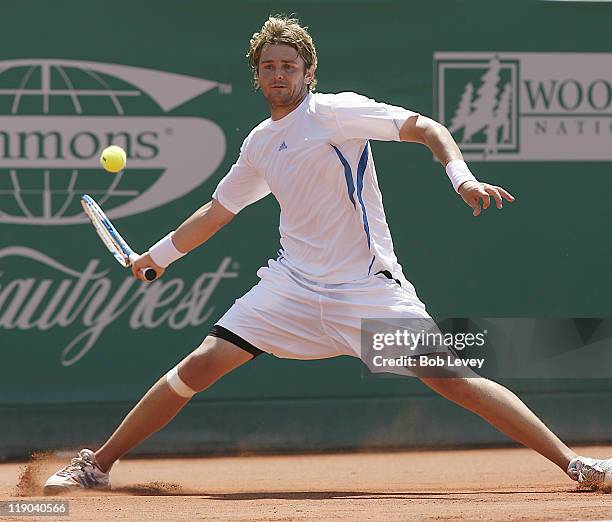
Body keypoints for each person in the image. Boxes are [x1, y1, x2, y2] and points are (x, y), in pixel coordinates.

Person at [45, 15, 611, 493]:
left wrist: (460, 178)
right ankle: (96, 467)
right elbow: (218, 211)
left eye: (289, 66)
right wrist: (158, 256)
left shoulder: (337, 113)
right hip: (290, 288)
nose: (278, 74)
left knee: (451, 378)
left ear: (308, 73)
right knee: (198, 365)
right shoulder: (261, 143)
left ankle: (576, 465)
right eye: (268, 66)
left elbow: (427, 128)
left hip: (366, 289)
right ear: (257, 75)